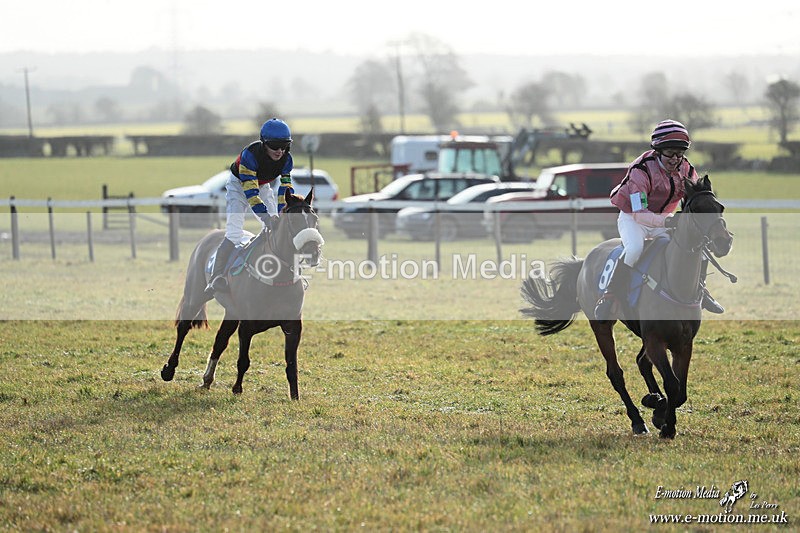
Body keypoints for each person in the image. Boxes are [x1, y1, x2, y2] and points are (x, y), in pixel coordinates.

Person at [594, 119, 724, 320]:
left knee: (696, 247)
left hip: (664, 219)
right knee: (635, 248)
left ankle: (701, 290)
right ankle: (610, 295)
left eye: (680, 154)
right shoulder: (641, 170)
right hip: (634, 219)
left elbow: (695, 199)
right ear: (658, 151)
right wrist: (668, 222)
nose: (675, 159)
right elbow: (639, 213)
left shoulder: (687, 169)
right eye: (670, 153)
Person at [204, 118, 294, 296]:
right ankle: (217, 278)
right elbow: (251, 194)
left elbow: (285, 190)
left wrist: (282, 214)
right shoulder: (249, 156)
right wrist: (267, 217)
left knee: (276, 227)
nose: (280, 151)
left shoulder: (287, 160)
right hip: (239, 185)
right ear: (264, 144)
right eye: (275, 146)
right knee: (234, 232)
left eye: (284, 146)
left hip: (262, 185)